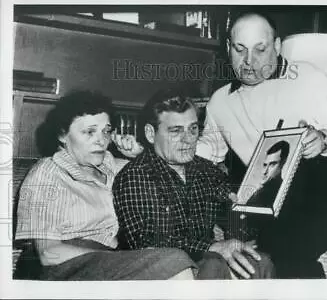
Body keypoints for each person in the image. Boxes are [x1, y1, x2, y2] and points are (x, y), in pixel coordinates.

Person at [195, 11, 327, 278]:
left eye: (260, 50)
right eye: (239, 50)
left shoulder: (306, 76)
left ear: (276, 46)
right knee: (281, 249)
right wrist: (161, 148)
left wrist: (325, 139)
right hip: (274, 202)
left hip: (323, 189)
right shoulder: (219, 101)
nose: (248, 61)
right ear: (228, 48)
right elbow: (208, 148)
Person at [14, 90, 196, 280]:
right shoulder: (48, 172)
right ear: (62, 134)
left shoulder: (116, 167)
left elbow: (174, 191)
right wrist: (126, 258)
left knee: (210, 262)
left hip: (110, 263)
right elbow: (48, 254)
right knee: (174, 260)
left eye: (106, 131)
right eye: (89, 132)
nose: (101, 140)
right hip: (61, 270)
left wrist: (142, 155)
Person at [112, 87, 275, 280]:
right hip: (155, 271)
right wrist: (213, 247)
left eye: (193, 129)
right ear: (150, 133)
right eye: (175, 131)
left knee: (261, 260)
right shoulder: (134, 176)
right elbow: (146, 241)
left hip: (206, 262)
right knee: (213, 263)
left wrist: (244, 212)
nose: (188, 139)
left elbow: (234, 221)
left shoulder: (206, 171)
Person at [246, 141, 290, 207]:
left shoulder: (281, 193)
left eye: (272, 164)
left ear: (283, 163)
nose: (265, 172)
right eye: (265, 165)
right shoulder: (261, 192)